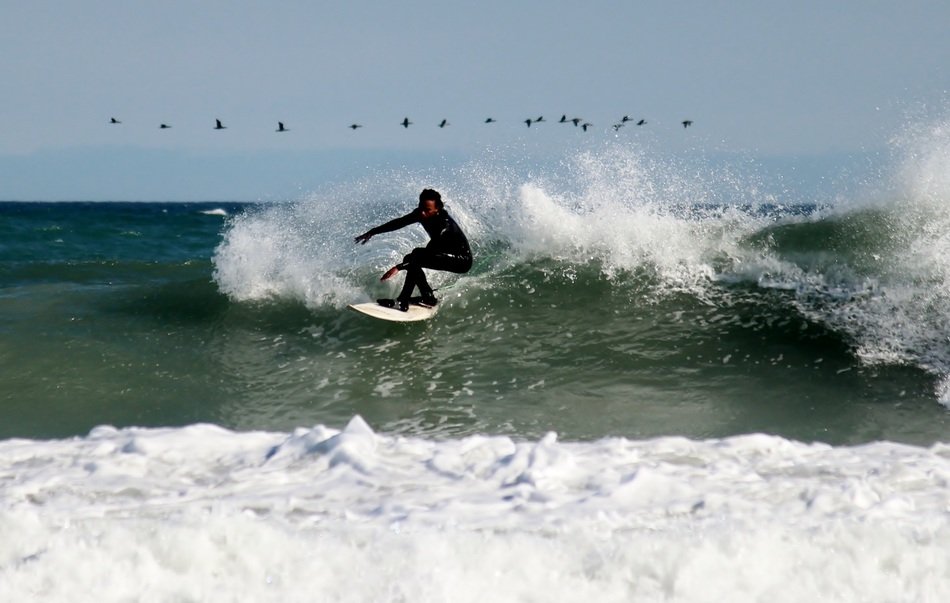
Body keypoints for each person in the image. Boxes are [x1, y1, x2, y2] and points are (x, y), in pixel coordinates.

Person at [354, 189, 472, 311]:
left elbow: (432, 250)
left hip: (462, 261)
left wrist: (398, 267)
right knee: (413, 258)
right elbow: (399, 223)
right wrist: (373, 232)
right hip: (443, 253)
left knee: (415, 257)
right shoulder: (421, 214)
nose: (422, 213)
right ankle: (428, 297)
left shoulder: (444, 226)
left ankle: (403, 301)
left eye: (427, 210)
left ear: (437, 209)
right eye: (421, 207)